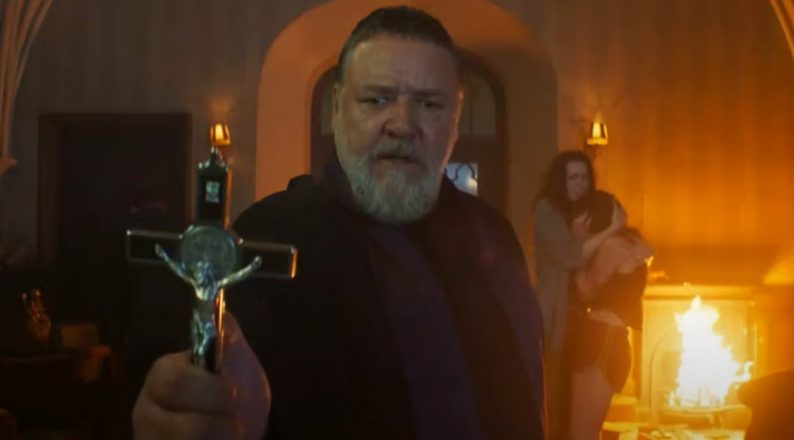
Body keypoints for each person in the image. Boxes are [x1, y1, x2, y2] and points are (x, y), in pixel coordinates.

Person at [132, 6, 546, 439]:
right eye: (377, 100)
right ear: (336, 108)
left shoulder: (493, 237)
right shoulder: (266, 241)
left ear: (455, 123)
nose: (402, 125)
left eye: (429, 104)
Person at [531, 151, 626, 439]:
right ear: (560, 180)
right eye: (572, 177)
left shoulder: (586, 210)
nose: (579, 184)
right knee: (554, 399)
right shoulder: (547, 210)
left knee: (575, 407)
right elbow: (571, 256)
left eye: (584, 177)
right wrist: (612, 228)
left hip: (581, 320)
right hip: (554, 316)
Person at [566, 190, 652, 440]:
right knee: (588, 432)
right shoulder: (631, 245)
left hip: (599, 341)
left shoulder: (612, 247)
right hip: (613, 340)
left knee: (580, 434)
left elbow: (586, 289)